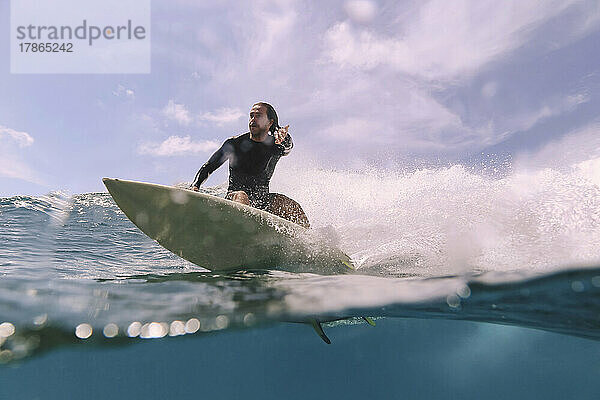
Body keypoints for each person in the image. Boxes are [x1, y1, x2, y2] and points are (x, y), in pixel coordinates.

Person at [191, 102, 310, 228]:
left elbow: (288, 148)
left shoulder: (275, 145)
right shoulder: (234, 144)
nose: (253, 119)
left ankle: (308, 240)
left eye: (258, 116)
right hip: (235, 197)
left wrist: (285, 138)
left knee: (288, 204)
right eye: (251, 116)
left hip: (262, 201)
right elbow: (209, 166)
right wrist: (195, 186)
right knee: (242, 196)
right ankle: (239, 231)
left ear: (270, 122)